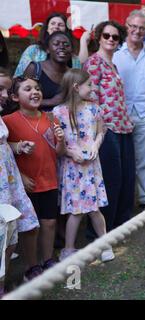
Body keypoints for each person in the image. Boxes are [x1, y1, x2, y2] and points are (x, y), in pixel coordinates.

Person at [4, 76, 66, 279]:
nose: (35, 92)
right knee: (30, 227)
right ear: (14, 96)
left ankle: (47, 260)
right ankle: (32, 266)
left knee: (49, 222)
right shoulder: (8, 122)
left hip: (49, 179)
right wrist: (20, 177)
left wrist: (62, 140)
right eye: (28, 89)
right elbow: (5, 157)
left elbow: (58, 152)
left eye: (37, 88)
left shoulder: (51, 118)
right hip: (25, 185)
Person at [53, 69, 114, 262]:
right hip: (72, 168)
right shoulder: (58, 112)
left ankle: (104, 245)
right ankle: (69, 249)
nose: (93, 88)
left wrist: (95, 146)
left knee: (94, 209)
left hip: (91, 166)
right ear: (76, 87)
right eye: (89, 84)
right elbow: (57, 143)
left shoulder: (94, 109)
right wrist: (72, 153)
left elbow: (100, 131)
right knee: (76, 210)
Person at [84, 21, 135, 233]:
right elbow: (89, 97)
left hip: (123, 126)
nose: (111, 40)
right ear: (99, 37)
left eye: (115, 37)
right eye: (106, 35)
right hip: (106, 128)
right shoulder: (94, 62)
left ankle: (119, 226)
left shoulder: (113, 64)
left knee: (125, 177)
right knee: (110, 179)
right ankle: (101, 231)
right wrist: (98, 127)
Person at [113, 10, 145, 209]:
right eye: (133, 26)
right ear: (126, 25)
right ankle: (123, 198)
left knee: (143, 160)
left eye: (142, 28)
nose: (137, 31)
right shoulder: (115, 52)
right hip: (120, 114)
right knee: (122, 160)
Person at [0, 70, 39, 283]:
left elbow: (3, 144)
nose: (5, 95)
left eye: (6, 89)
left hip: (10, 181)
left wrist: (18, 146)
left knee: (19, 229)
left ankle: (26, 271)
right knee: (4, 237)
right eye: (0, 89)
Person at [14, 12, 89, 77]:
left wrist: (83, 42)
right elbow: (19, 75)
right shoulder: (33, 50)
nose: (56, 27)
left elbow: (81, 72)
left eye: (60, 25)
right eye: (53, 23)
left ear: (66, 30)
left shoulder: (72, 57)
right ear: (47, 28)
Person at [23, 31, 73, 111]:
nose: (62, 47)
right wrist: (51, 101)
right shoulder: (34, 69)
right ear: (47, 49)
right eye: (56, 44)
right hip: (38, 120)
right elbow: (22, 99)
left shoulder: (73, 74)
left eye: (66, 45)